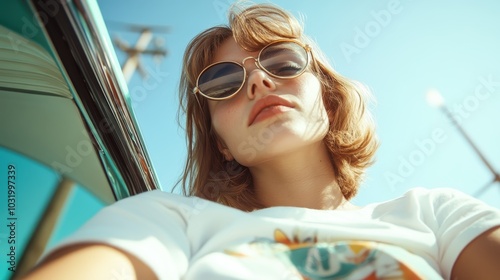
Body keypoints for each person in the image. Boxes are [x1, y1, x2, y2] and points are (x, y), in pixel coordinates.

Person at [25, 3, 500, 280]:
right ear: (222, 144)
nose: (258, 83)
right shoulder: (168, 221)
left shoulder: (435, 215)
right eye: (222, 82)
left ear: (329, 101)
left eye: (284, 62)